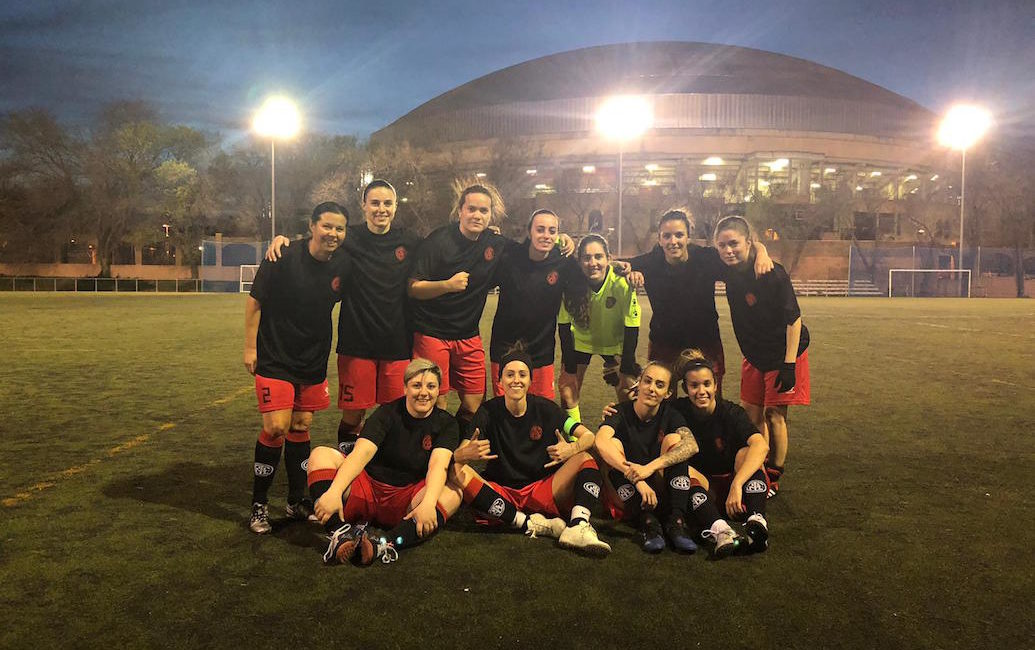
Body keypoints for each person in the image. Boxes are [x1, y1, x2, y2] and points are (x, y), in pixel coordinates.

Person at [266, 180, 421, 454]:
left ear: (396, 207)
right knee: (353, 416)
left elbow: (443, 253)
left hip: (397, 344)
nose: (381, 209)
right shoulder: (348, 238)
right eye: (375, 203)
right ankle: (350, 469)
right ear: (364, 206)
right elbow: (319, 240)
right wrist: (284, 240)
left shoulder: (409, 241)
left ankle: (387, 470)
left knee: (396, 413)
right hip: (356, 343)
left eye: (387, 203)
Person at [243, 202, 350, 534]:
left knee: (301, 426)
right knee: (277, 427)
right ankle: (259, 505)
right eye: (327, 226)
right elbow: (255, 301)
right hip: (275, 356)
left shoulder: (344, 264)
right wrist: (249, 346)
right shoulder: (283, 256)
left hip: (313, 359)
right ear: (312, 225)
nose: (333, 233)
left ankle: (295, 500)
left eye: (339, 228)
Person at [450, 345, 612, 555]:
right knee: (456, 471)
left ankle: (578, 525)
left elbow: (588, 436)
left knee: (585, 458)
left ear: (530, 380)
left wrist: (571, 449)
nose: (516, 380)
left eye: (522, 374)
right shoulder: (487, 411)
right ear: (500, 381)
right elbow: (460, 455)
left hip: (542, 489)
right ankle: (526, 523)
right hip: (502, 491)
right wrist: (464, 454)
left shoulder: (545, 408)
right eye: (509, 374)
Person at [308, 359, 461, 566]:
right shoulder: (387, 413)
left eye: (431, 386)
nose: (424, 392)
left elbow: (438, 465)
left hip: (407, 499)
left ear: (438, 390)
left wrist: (428, 503)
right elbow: (361, 453)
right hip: (368, 489)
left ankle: (383, 544)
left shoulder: (447, 423)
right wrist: (335, 491)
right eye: (417, 385)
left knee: (454, 492)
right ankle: (339, 533)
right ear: (405, 387)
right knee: (319, 455)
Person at [619, 210, 772, 394]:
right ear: (659, 239)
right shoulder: (650, 262)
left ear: (688, 237)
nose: (673, 241)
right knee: (662, 403)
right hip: (664, 343)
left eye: (679, 235)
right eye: (666, 236)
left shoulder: (706, 258)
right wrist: (630, 272)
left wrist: (762, 252)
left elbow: (742, 250)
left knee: (709, 402)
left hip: (705, 342)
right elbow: (614, 266)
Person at [713, 215, 810, 497]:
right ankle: (758, 464)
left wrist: (789, 364)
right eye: (722, 245)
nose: (728, 250)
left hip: (784, 353)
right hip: (753, 355)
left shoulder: (772, 274)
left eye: (734, 243)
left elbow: (794, 320)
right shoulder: (726, 268)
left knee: (774, 414)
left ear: (749, 242)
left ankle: (774, 474)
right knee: (751, 413)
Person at [594, 362, 704, 555]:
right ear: (639, 383)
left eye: (659, 385)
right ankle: (647, 523)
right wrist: (636, 478)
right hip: (626, 492)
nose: (651, 389)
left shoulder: (671, 415)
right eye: (647, 381)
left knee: (676, 441)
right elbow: (601, 442)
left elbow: (691, 445)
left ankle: (676, 522)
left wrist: (650, 468)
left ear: (668, 393)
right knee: (614, 446)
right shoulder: (619, 412)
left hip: (658, 488)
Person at [670, 349, 771, 553]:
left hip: (735, 487)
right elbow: (644, 411)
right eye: (694, 385)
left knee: (747, 453)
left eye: (707, 384)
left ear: (716, 385)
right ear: (685, 388)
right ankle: (720, 530)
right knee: (681, 467)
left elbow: (762, 445)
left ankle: (756, 521)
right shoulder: (676, 410)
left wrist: (737, 483)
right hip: (700, 486)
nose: (701, 391)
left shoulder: (731, 412)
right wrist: (616, 411)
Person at [489, 209, 581, 400]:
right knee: (506, 407)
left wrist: (623, 268)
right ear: (529, 231)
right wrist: (488, 232)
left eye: (552, 230)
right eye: (540, 229)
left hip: (542, 351)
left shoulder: (564, 261)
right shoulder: (509, 254)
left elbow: (593, 270)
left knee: (543, 411)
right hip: (504, 349)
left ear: (557, 235)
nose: (546, 235)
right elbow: (485, 241)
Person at [557, 234, 641, 424]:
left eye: (598, 256)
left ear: (609, 258)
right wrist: (569, 365)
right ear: (579, 262)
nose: (592, 262)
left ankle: (629, 434)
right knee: (567, 388)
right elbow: (563, 325)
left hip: (614, 343)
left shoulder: (622, 283)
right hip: (581, 342)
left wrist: (627, 364)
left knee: (629, 390)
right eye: (586, 257)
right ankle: (574, 439)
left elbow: (632, 324)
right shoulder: (570, 284)